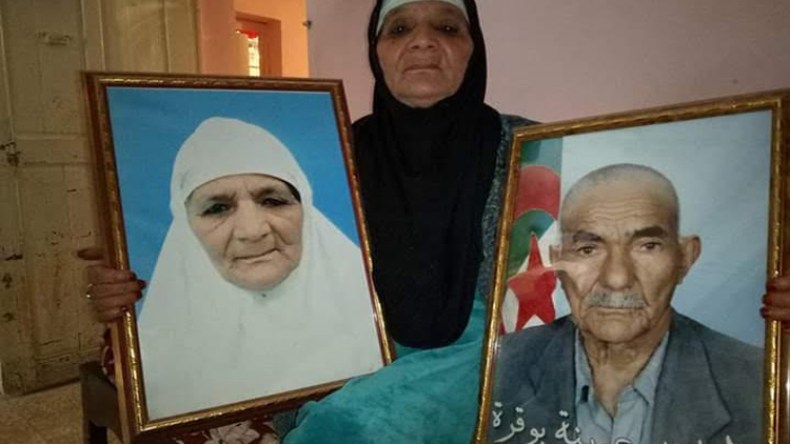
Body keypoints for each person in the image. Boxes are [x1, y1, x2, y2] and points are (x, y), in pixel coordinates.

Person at [81, 1, 790, 442]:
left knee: (354, 429)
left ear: (472, 49)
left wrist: (763, 284)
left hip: (487, 350)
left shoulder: (535, 148)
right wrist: (129, 289)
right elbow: (249, 267)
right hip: (357, 339)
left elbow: (608, 255)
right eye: (400, 29)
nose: (423, 42)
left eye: (447, 27)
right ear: (378, 51)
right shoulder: (334, 152)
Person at [490, 164, 762, 444]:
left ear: (684, 258)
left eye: (648, 246)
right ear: (558, 264)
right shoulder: (496, 366)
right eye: (588, 249)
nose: (617, 279)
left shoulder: (762, 381)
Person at [132, 116, 383, 419]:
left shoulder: (376, 320)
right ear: (186, 228)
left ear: (306, 210)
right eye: (217, 209)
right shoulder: (155, 360)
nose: (252, 231)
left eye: (273, 201)